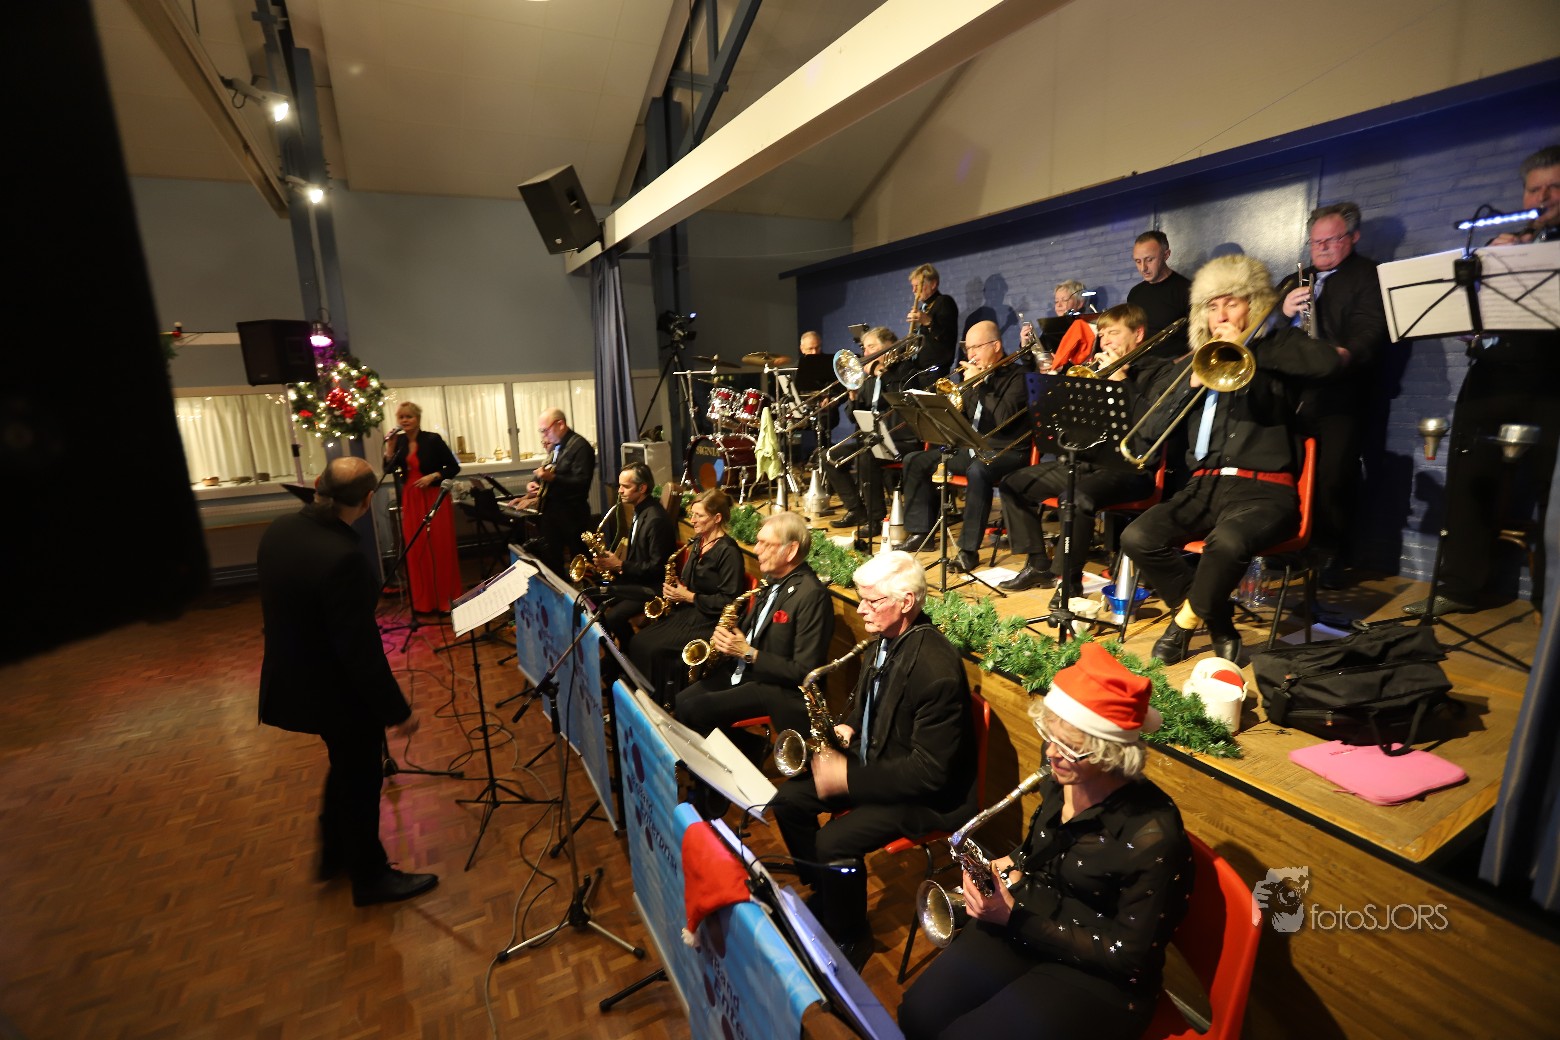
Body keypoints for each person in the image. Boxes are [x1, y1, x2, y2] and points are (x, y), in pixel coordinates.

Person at [898, 642, 1193, 1040]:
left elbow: (1130, 958)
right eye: (1049, 736)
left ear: (1111, 755)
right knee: (917, 1014)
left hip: (1099, 974)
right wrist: (1009, 865)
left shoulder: (1153, 836)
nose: (1051, 754)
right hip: (1031, 913)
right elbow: (1042, 848)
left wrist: (1013, 919)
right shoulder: (1061, 770)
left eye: (1068, 747)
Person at [1120, 254, 1340, 664]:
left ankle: (1182, 626)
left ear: (1252, 305)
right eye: (1212, 305)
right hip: (1203, 486)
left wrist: (1250, 348)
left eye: (1232, 303)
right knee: (1137, 537)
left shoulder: (1278, 347)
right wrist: (1189, 384)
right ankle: (1220, 623)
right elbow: (1148, 432)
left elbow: (1327, 363)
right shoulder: (1195, 363)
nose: (1221, 314)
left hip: (1265, 491)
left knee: (1227, 542)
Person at [770, 551, 976, 969]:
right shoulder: (884, 639)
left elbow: (929, 772)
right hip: (876, 761)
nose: (861, 609)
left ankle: (852, 935)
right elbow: (870, 704)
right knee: (788, 802)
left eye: (871, 601)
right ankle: (827, 889)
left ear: (906, 602)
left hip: (924, 795)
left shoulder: (935, 669)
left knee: (834, 840)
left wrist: (847, 779)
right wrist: (849, 726)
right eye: (860, 598)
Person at [257, 456, 439, 907]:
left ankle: (334, 854)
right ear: (368, 499)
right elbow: (359, 649)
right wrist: (397, 711)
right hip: (336, 690)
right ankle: (370, 877)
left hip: (292, 676)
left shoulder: (280, 529)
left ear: (319, 483)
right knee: (360, 778)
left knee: (345, 767)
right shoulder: (344, 558)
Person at [1407, 145, 1560, 615]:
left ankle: (1550, 603)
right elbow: (1466, 321)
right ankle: (1457, 588)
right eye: (1534, 189)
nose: (1543, 196)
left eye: (1554, 187)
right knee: (1469, 481)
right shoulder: (1504, 243)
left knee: (1552, 492)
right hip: (1492, 375)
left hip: (1553, 382)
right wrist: (1481, 278)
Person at [999, 304, 1169, 592]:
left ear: (1138, 334)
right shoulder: (1094, 370)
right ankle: (1038, 565)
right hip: (1087, 462)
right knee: (1013, 484)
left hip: (1131, 469)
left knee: (1075, 498)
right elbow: (1068, 426)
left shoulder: (1160, 371)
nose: (1105, 342)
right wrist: (1056, 395)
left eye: (1113, 333)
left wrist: (1122, 383)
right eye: (1102, 335)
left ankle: (1069, 583)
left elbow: (1154, 425)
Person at [1275, 202, 1390, 588]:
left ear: (1353, 237)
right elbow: (1264, 327)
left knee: (1333, 475)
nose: (1321, 248)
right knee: (1287, 471)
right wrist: (1282, 310)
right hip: (1293, 393)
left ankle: (1328, 555)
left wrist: (1344, 354)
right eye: (1315, 242)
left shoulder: (1367, 274)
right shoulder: (1294, 280)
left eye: (1332, 240)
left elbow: (1372, 328)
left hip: (1341, 392)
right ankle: (1287, 547)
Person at [675, 512, 835, 771]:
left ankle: (734, 766)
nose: (756, 549)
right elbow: (752, 634)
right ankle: (745, 751)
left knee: (695, 710)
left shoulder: (811, 595)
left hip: (778, 687)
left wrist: (749, 653)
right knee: (682, 701)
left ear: (791, 550)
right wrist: (728, 639)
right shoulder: (771, 582)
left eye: (765, 544)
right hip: (747, 670)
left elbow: (805, 671)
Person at [896, 320, 1034, 572]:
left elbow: (1003, 418)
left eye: (976, 347)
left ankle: (968, 551)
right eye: (968, 348)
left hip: (1006, 450)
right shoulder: (970, 375)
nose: (971, 354)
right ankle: (920, 532)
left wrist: (981, 386)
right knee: (915, 460)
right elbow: (964, 417)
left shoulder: (1018, 376)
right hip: (972, 447)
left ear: (996, 346)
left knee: (978, 470)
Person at [628, 488, 744, 705]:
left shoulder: (729, 552)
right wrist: (675, 590)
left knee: (652, 648)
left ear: (717, 518)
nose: (692, 520)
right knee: (638, 641)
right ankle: (643, 699)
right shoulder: (698, 542)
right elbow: (689, 584)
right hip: (687, 612)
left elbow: (728, 601)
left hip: (709, 619)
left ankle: (661, 702)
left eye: (699, 515)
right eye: (692, 514)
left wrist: (689, 596)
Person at [821, 326, 922, 531]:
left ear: (889, 346)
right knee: (828, 456)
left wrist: (881, 374)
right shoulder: (867, 378)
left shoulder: (906, 370)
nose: (865, 353)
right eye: (864, 348)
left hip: (903, 441)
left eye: (871, 347)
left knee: (867, 455)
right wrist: (853, 397)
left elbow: (903, 399)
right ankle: (856, 510)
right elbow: (854, 417)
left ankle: (875, 519)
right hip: (874, 439)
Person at [383, 401, 463, 613]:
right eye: (401, 417)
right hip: (412, 498)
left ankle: (446, 599)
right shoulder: (399, 442)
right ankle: (423, 602)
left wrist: (433, 476)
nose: (405, 420)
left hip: (434, 496)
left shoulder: (432, 439)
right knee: (417, 548)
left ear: (417, 419)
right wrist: (389, 448)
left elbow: (454, 467)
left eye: (409, 416)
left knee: (439, 546)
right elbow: (388, 469)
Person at [595, 463, 677, 648]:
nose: (620, 491)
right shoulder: (640, 510)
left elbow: (657, 569)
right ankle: (615, 653)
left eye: (626, 486)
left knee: (613, 617)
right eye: (619, 486)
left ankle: (629, 653)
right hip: (637, 579)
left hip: (652, 587)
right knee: (593, 597)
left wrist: (620, 565)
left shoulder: (655, 519)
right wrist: (610, 564)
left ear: (642, 488)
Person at [510, 408, 595, 578]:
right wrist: (534, 484)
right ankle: (558, 590)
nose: (544, 435)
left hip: (573, 514)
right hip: (552, 512)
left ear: (560, 424)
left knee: (580, 561)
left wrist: (552, 478)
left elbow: (582, 483)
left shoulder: (581, 447)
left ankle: (586, 592)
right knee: (551, 559)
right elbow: (548, 470)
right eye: (541, 431)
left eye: (545, 430)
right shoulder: (558, 446)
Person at [1126, 230, 1192, 359]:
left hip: (1174, 365)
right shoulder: (1134, 294)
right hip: (1140, 364)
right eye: (1138, 261)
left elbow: (1201, 340)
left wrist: (1178, 364)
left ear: (1166, 255)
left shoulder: (1187, 290)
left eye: (1149, 260)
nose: (1143, 268)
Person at [907, 263, 959, 378]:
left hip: (934, 373)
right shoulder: (923, 308)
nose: (914, 290)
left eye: (917, 286)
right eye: (912, 286)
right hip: (919, 372)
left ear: (933, 284)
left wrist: (927, 321)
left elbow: (947, 336)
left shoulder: (944, 302)